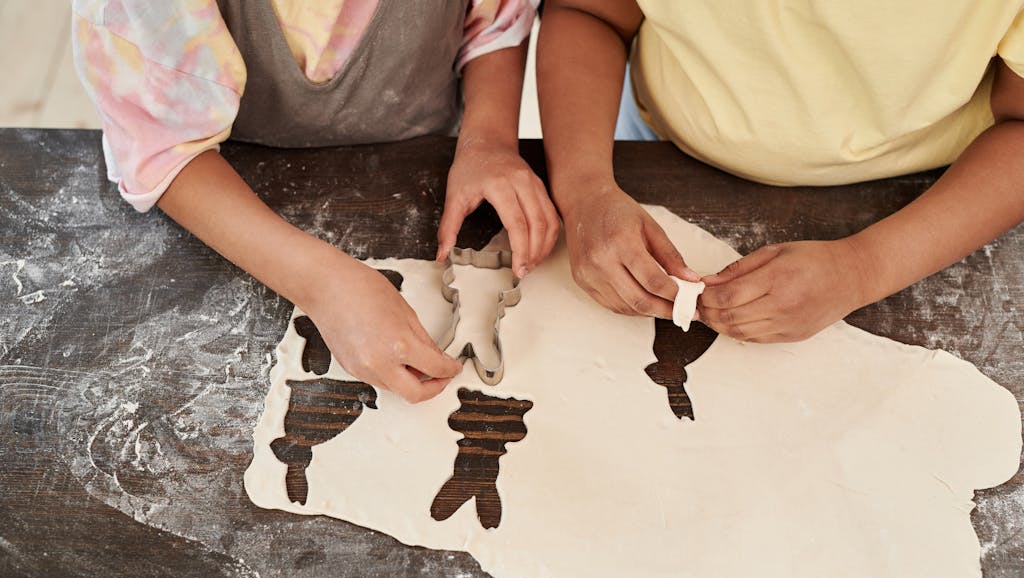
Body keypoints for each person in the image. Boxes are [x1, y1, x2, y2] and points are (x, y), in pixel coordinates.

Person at [73, 0, 560, 402]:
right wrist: (322, 283)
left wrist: (489, 141)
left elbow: (495, 20)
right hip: (230, 199)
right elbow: (162, 145)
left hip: (426, 157)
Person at [537, 1, 1024, 342]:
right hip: (650, 144)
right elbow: (590, 11)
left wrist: (863, 268)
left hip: (927, 199)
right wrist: (585, 188)